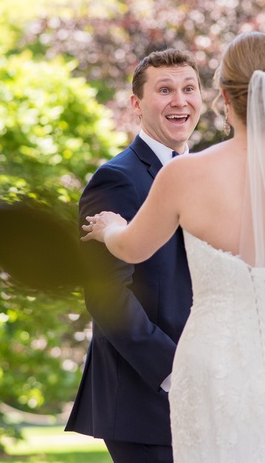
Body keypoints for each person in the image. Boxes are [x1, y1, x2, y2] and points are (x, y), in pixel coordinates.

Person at [82, 32, 265, 462]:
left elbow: (131, 248)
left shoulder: (187, 176)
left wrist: (109, 231)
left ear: (223, 97)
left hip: (216, 371)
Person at [65, 48, 202, 463]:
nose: (180, 100)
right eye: (165, 90)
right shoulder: (118, 179)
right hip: (147, 397)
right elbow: (106, 294)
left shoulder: (202, 174)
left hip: (204, 385)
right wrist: (174, 371)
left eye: (189, 88)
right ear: (137, 104)